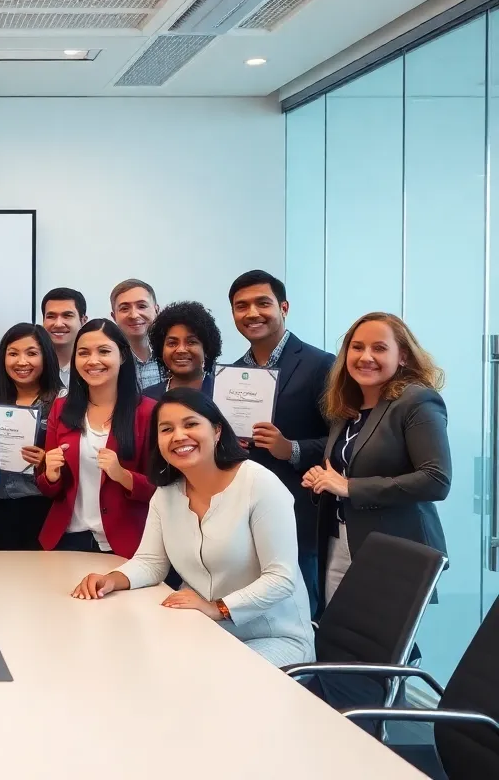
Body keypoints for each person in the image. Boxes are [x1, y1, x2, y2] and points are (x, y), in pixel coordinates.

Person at [71, 388, 315, 668]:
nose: (178, 436)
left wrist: (218, 608)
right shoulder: (167, 493)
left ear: (217, 430)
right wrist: (111, 580)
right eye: (166, 429)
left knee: (208, 681)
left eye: (190, 424)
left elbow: (281, 578)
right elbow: (151, 562)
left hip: (274, 636)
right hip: (203, 627)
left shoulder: (259, 484)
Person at [303, 312, 449, 607]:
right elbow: (348, 469)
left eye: (379, 348)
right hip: (339, 541)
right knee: (340, 642)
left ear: (403, 356)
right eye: (356, 347)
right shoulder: (347, 406)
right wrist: (323, 481)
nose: (365, 356)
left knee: (383, 649)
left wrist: (349, 487)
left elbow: (436, 480)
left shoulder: (417, 400)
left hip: (395, 549)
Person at [229, 270, 333, 612]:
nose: (252, 313)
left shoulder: (321, 365)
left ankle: (304, 668)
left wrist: (292, 449)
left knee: (300, 607)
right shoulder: (230, 374)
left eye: (263, 303)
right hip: (242, 513)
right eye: (241, 306)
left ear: (283, 307)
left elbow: (342, 442)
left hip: (298, 512)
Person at [36, 319, 156, 554]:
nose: (93, 361)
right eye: (83, 353)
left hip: (124, 543)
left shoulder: (148, 412)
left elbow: (161, 489)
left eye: (103, 351)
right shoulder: (61, 408)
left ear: (122, 356)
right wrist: (50, 475)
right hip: (67, 540)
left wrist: (123, 475)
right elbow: (49, 490)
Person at [0, 324, 63, 550]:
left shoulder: (63, 402)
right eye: (13, 353)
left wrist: (46, 462)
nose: (21, 362)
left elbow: (78, 467)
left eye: (31, 353)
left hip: (44, 508)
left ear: (46, 357)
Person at [141, 301, 221, 400]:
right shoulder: (147, 398)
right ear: (161, 349)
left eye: (191, 342)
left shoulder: (223, 393)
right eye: (172, 343)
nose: (181, 350)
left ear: (206, 348)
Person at [110, 278, 162, 391]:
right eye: (124, 308)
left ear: (156, 310)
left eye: (142, 306)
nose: (134, 315)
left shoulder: (172, 355)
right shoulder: (109, 360)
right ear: (114, 317)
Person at [41, 287, 88, 390]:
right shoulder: (31, 366)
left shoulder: (93, 366)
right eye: (51, 316)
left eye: (67, 316)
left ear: (83, 321)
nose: (58, 324)